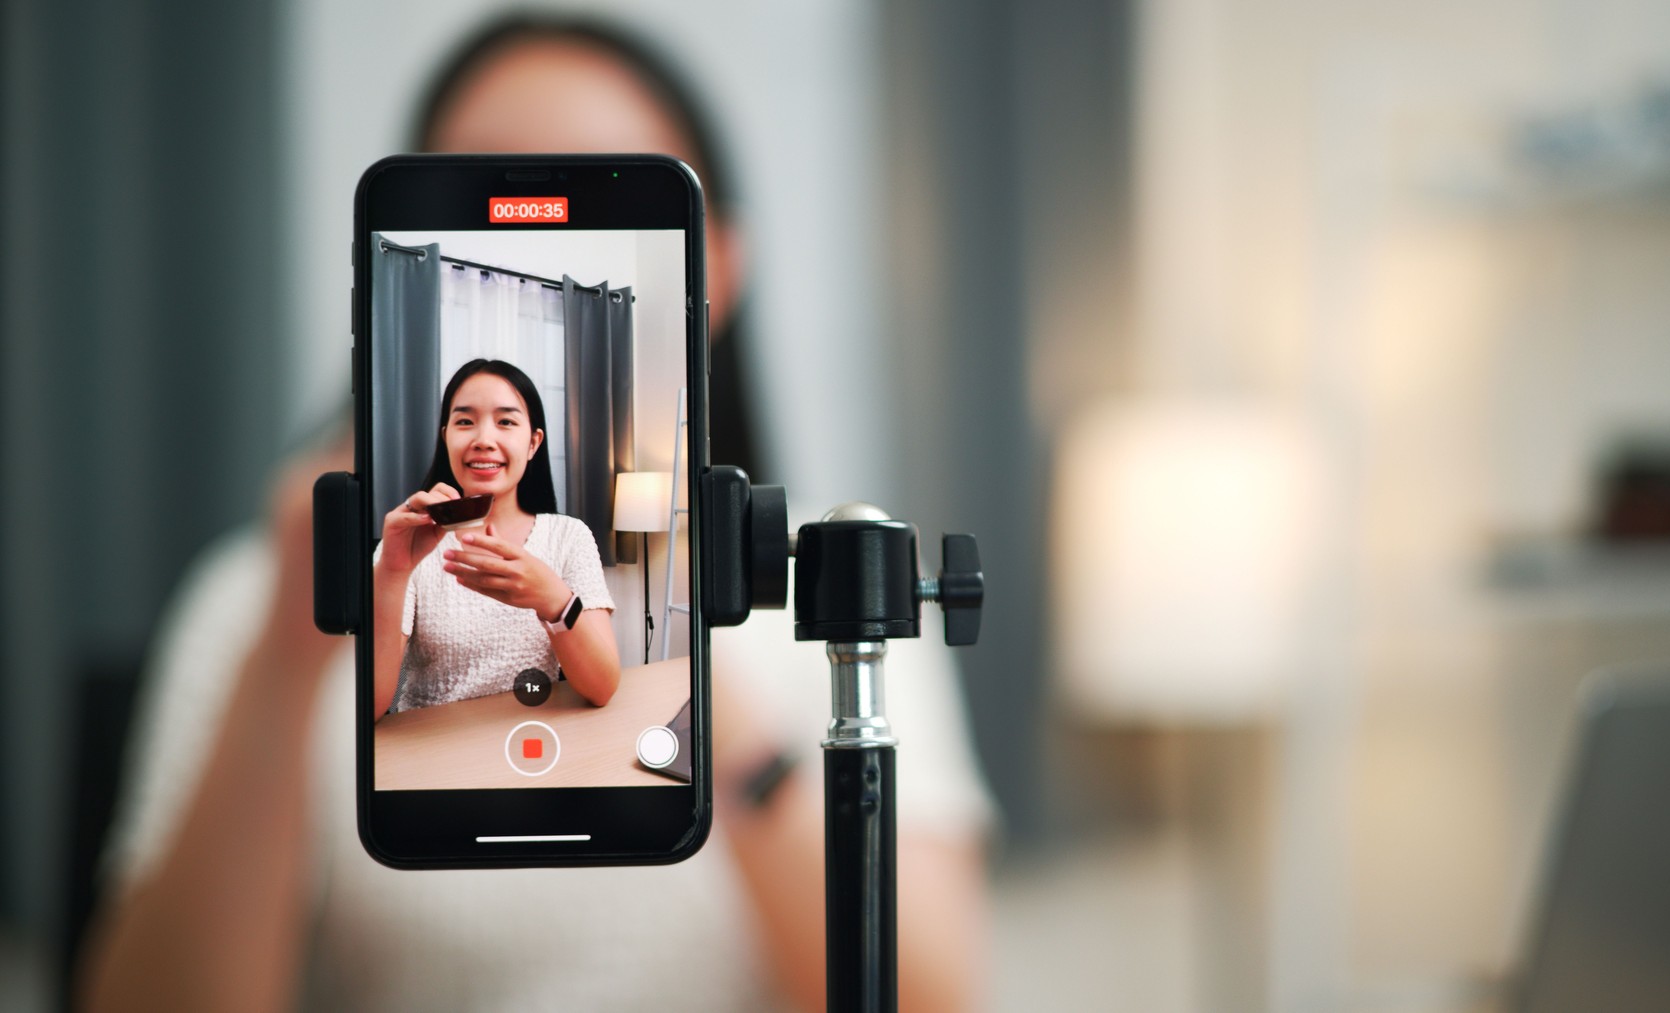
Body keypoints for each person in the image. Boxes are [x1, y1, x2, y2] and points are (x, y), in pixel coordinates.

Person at [77, 15, 991, 1013]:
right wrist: (292, 646)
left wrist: (680, 631)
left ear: (714, 266)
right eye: (482, 210)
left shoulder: (833, 582)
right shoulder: (259, 595)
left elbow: (931, 994)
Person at [375, 358, 620, 716]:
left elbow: (601, 688)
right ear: (446, 437)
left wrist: (554, 600)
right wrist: (393, 571)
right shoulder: (406, 544)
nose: (483, 440)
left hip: (534, 746)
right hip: (435, 753)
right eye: (464, 422)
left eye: (505, 421)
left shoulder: (569, 537)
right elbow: (369, 707)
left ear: (533, 442)